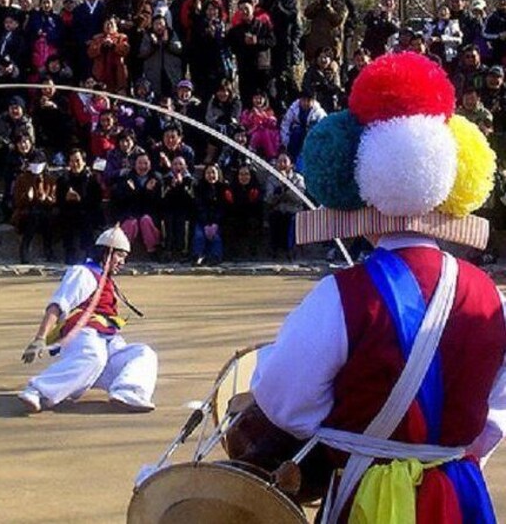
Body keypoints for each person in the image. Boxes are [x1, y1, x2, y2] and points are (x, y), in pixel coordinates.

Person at [240, 52, 505, 523]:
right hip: (459, 493)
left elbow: (285, 402)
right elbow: (497, 408)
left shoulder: (341, 296)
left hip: (368, 493)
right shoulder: (490, 297)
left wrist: (359, 437)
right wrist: (444, 447)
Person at [18, 225, 157, 413]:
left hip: (107, 341)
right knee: (94, 357)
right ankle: (38, 391)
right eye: (120, 255)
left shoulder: (104, 278)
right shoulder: (83, 273)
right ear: (106, 253)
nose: (123, 262)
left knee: (143, 353)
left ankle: (127, 392)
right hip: (83, 336)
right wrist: (40, 338)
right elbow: (58, 304)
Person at [55, 148, 103, 264]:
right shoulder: (63, 180)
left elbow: (96, 201)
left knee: (88, 220)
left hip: (87, 211)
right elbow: (58, 201)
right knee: (65, 219)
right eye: (71, 161)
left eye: (77, 161)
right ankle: (69, 254)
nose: (75, 164)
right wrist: (66, 199)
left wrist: (80, 200)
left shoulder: (91, 180)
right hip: (69, 212)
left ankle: (90, 255)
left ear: (84, 162)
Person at [11, 155, 56, 263]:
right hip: (26, 212)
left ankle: (48, 250)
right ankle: (24, 250)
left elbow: (54, 200)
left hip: (45, 210)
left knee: (46, 217)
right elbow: (17, 201)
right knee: (33, 216)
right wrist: (27, 197)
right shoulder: (22, 179)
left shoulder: (50, 179)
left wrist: (46, 198)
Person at [192, 163, 225, 265]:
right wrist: (206, 224)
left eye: (213, 173)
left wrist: (215, 223)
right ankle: (198, 256)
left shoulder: (223, 188)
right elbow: (199, 207)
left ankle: (215, 257)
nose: (211, 175)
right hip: (202, 221)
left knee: (216, 238)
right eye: (208, 173)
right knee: (199, 236)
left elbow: (222, 208)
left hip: (218, 221)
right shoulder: (199, 188)